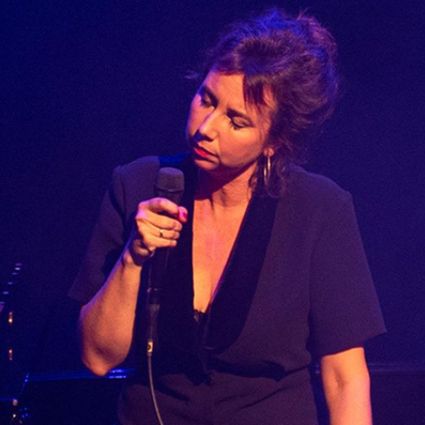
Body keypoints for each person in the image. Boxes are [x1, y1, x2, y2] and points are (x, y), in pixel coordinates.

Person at [69, 8, 385, 425]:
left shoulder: (319, 210)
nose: (207, 128)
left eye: (236, 121)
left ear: (274, 141)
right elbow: (97, 358)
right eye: (206, 100)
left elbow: (345, 379)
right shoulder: (138, 185)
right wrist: (133, 257)